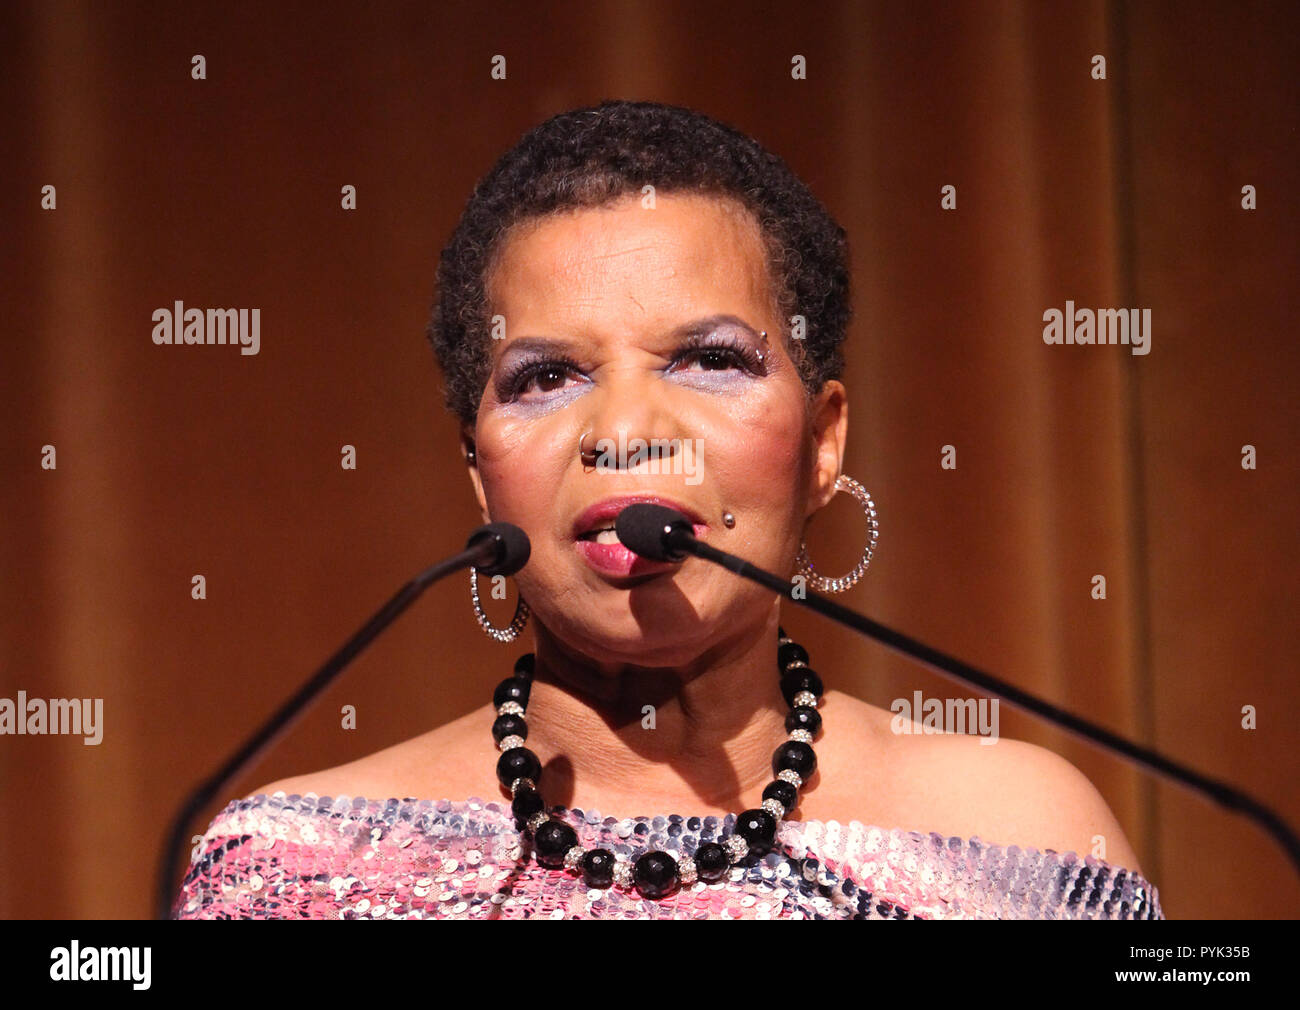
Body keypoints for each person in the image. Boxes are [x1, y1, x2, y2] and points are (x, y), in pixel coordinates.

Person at [172, 100, 1163, 919]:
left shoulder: (1022, 850)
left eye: (709, 360)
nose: (626, 430)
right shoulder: (286, 871)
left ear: (822, 444)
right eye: (547, 375)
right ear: (480, 475)